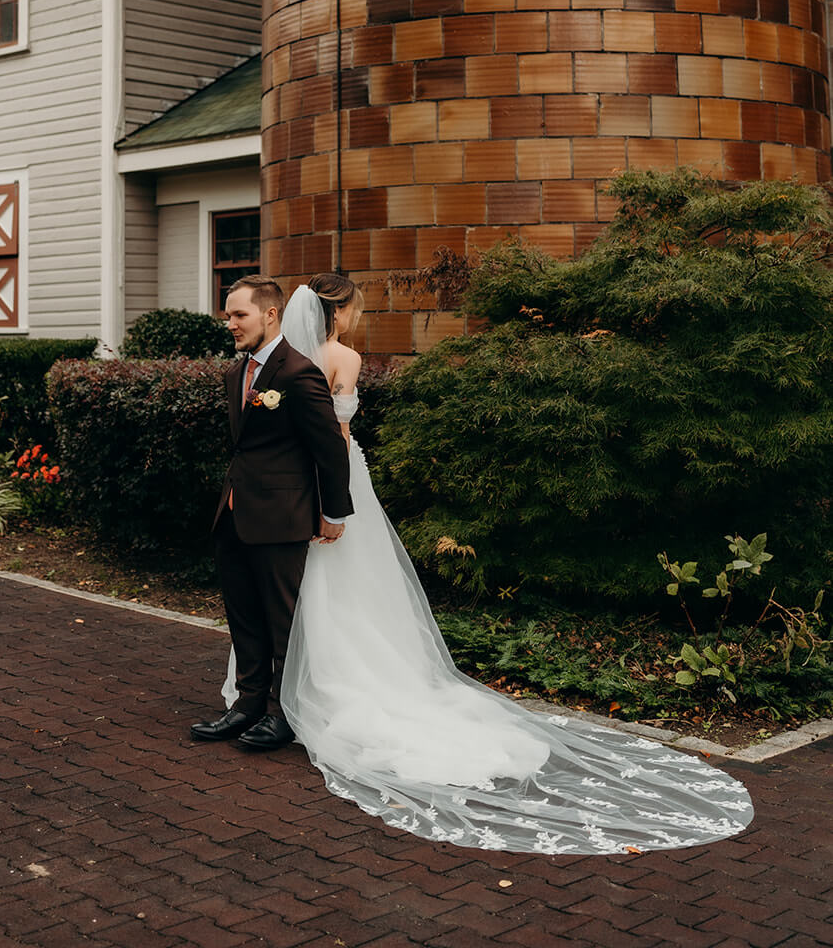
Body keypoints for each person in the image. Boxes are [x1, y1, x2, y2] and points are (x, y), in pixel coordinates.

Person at [225, 273, 755, 856]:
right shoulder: (337, 357)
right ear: (339, 311)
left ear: (282, 314)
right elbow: (334, 434)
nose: (356, 317)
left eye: (237, 314)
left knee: (308, 599)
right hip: (330, 481)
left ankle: (290, 696)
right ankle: (287, 694)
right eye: (355, 308)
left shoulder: (294, 364)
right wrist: (335, 500)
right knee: (337, 595)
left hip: (302, 493)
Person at [190, 275, 353, 752]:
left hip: (282, 516)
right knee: (243, 617)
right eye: (227, 315)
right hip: (235, 514)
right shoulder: (236, 373)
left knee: (282, 621)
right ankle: (246, 705)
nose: (231, 324)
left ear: (269, 314)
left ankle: (283, 714)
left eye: (239, 315)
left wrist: (333, 513)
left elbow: (329, 448)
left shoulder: (297, 372)